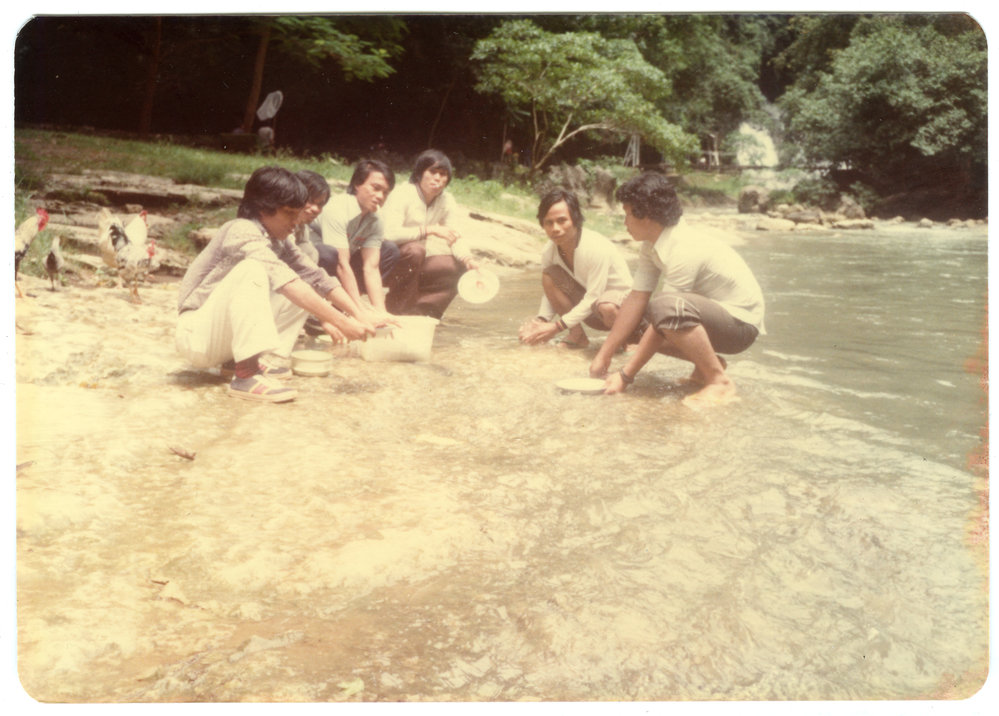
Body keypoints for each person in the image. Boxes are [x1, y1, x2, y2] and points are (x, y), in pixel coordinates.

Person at [175, 166, 377, 403]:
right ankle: (246, 375)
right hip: (197, 337)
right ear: (263, 208)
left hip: (220, 341)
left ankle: (247, 362)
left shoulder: (277, 238)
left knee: (305, 282)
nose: (296, 222)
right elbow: (286, 282)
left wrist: (361, 314)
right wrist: (342, 322)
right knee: (257, 271)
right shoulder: (241, 229)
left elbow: (318, 277)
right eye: (290, 213)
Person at [591, 172, 766, 408]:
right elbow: (637, 297)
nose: (625, 223)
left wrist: (625, 376)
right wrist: (604, 355)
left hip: (740, 327)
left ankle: (718, 381)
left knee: (664, 305)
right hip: (712, 319)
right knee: (626, 310)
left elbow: (665, 317)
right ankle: (706, 368)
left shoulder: (684, 247)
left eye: (628, 214)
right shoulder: (651, 245)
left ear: (648, 217)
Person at [518, 189, 634, 350]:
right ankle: (577, 335)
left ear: (576, 220)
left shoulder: (595, 247)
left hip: (625, 311)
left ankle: (629, 341)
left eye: (562, 220)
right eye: (548, 223)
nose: (555, 228)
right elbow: (550, 291)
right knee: (549, 276)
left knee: (606, 305)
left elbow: (594, 296)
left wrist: (556, 327)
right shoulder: (549, 251)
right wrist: (541, 322)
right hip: (592, 310)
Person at [381, 149, 480, 319]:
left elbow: (455, 235)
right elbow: (388, 234)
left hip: (414, 263)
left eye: (443, 174)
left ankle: (422, 313)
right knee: (415, 250)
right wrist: (428, 230)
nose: (437, 178)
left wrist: (468, 259)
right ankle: (400, 308)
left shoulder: (446, 200)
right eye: (432, 172)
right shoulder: (403, 193)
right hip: (385, 263)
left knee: (458, 266)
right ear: (420, 173)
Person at [314, 159, 400, 322]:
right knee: (329, 254)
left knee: (389, 250)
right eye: (375, 188)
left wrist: (380, 312)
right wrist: (360, 312)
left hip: (342, 264)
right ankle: (345, 307)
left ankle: (347, 306)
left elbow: (371, 267)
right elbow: (341, 263)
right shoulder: (337, 208)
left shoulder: (376, 219)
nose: (380, 196)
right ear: (357, 185)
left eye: (386, 193)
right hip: (316, 263)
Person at [292, 169, 329, 264]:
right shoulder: (281, 224)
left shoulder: (302, 226)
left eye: (320, 204)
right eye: (311, 201)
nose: (316, 209)